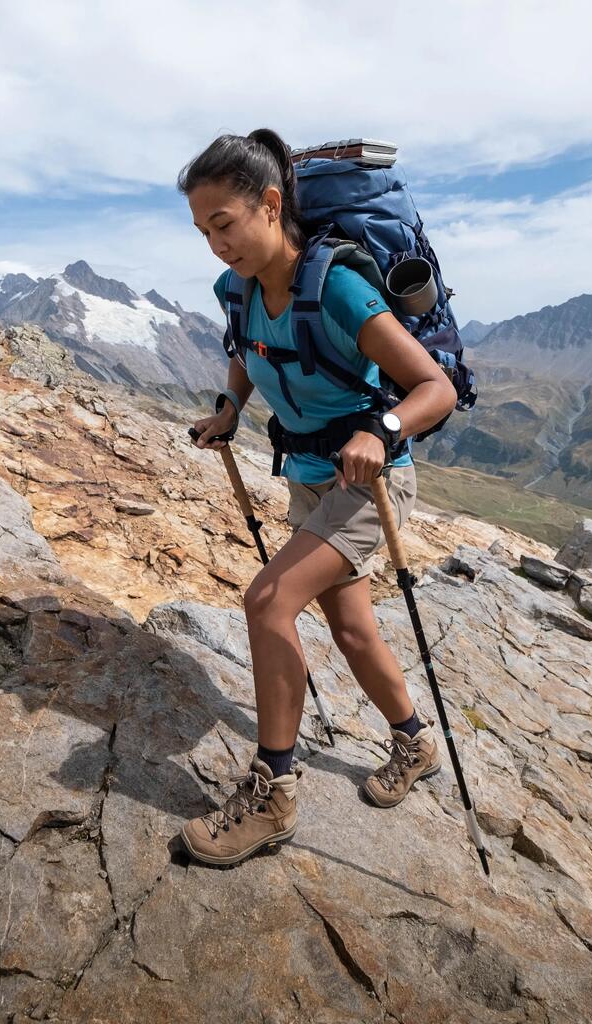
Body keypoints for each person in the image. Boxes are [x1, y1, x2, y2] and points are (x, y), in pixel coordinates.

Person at [176, 128, 458, 867]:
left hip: (368, 485)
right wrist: (230, 407)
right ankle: (414, 743)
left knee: (268, 600)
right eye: (204, 230)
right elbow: (247, 349)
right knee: (352, 627)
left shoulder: (337, 285)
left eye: (225, 223)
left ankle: (273, 794)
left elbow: (436, 389)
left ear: (271, 204)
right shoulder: (234, 288)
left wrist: (382, 429)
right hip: (306, 478)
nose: (216, 244)